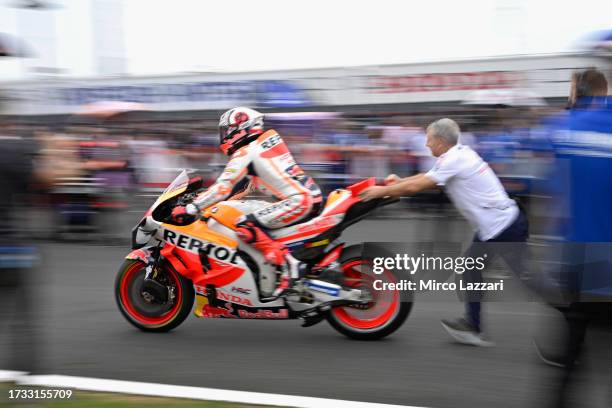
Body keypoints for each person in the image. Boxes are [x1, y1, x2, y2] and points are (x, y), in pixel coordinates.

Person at [360, 118, 529, 346]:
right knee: (475, 272)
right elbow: (424, 179)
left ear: (440, 141)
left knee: (523, 280)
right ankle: (473, 326)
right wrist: (398, 182)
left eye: (429, 140)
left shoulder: (453, 159)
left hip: (501, 227)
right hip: (500, 224)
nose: (427, 145)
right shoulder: (458, 153)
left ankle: (577, 310)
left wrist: (379, 192)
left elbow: (416, 187)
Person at [172, 107, 323, 296]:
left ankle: (291, 267)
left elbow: (223, 187)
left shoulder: (246, 152)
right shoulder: (264, 143)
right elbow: (244, 188)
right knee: (256, 220)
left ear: (242, 128)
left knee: (245, 225)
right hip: (309, 195)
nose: (225, 136)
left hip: (298, 201)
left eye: (228, 130)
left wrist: (192, 208)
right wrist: (206, 201)